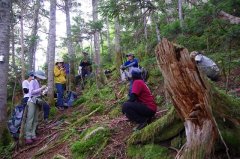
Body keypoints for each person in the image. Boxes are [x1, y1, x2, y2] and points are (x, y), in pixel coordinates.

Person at [25, 70, 47, 144]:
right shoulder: (32, 81)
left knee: (35, 119)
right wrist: (41, 88)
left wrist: (43, 91)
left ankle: (33, 134)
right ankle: (28, 136)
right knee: (30, 118)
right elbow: (31, 92)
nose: (41, 78)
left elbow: (38, 92)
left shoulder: (38, 82)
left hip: (37, 101)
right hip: (31, 101)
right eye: (40, 77)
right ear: (37, 76)